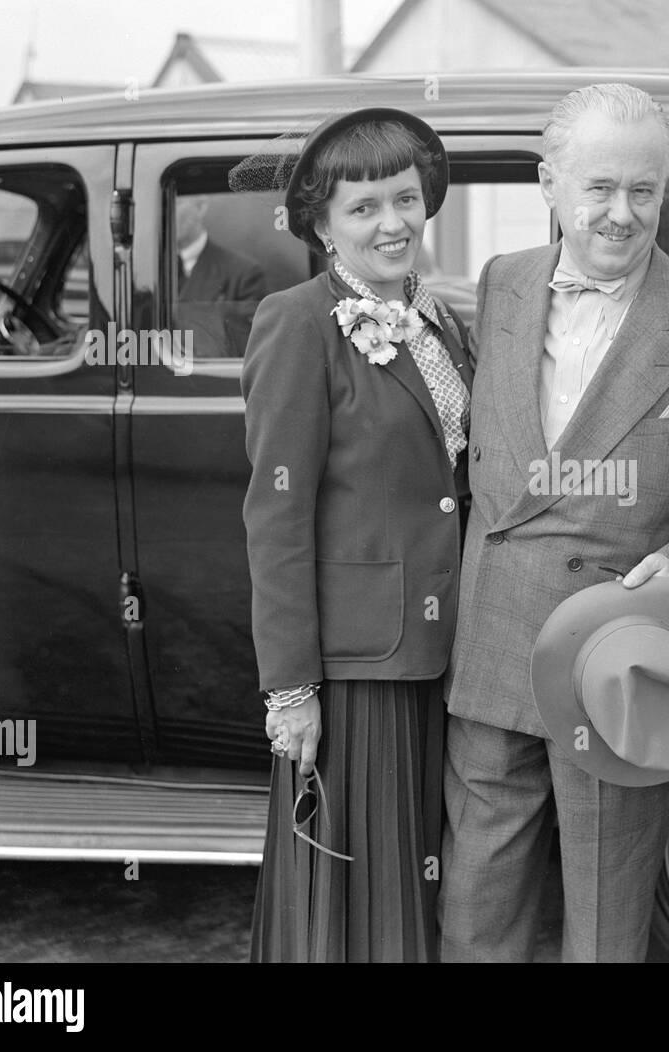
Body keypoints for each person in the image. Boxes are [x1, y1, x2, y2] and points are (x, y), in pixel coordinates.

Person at [439, 82, 669, 963]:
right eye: (598, 188)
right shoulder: (501, 283)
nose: (622, 215)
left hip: (616, 654)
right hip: (497, 636)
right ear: (549, 184)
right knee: (476, 899)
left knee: (608, 912)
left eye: (645, 191)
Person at [239, 107, 472, 962]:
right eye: (364, 206)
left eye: (405, 199)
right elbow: (277, 514)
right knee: (356, 888)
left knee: (415, 877)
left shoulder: (441, 319)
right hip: (355, 665)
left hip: (439, 649)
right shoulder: (298, 321)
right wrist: (291, 688)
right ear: (322, 224)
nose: (392, 223)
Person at [174, 195, 267, 357]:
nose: (169, 211)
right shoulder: (144, 270)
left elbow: (250, 353)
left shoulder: (243, 273)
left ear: (201, 207)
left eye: (178, 202)